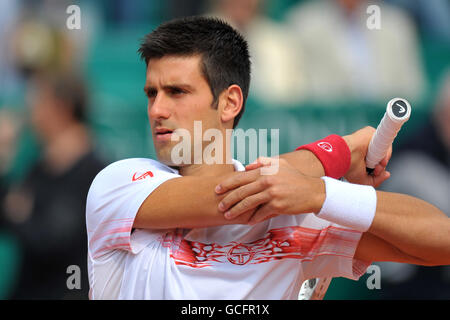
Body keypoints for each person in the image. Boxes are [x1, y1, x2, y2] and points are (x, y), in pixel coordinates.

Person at [86, 17, 450, 300]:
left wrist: (325, 196)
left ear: (230, 102)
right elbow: (234, 196)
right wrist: (341, 151)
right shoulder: (119, 184)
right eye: (151, 93)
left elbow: (441, 241)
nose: (156, 109)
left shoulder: (297, 209)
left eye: (176, 92)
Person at [3, 72, 106, 299]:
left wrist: (20, 213)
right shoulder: (38, 166)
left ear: (61, 108)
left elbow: (49, 240)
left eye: (37, 103)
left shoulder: (96, 174)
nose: (30, 114)